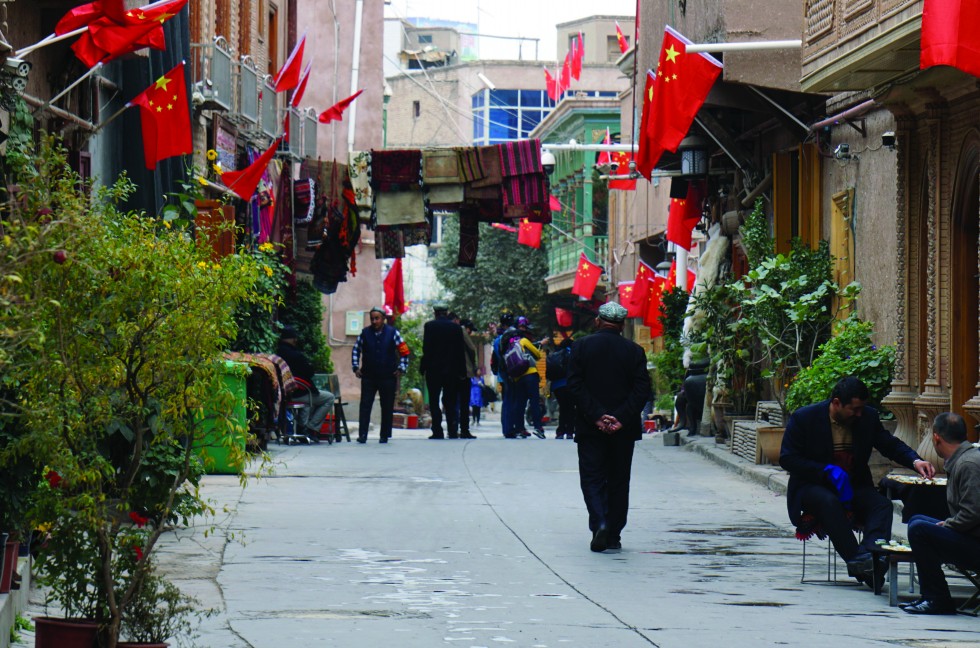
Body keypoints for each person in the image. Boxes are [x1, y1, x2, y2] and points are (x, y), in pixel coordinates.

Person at [779, 376, 935, 588]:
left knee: (882, 505)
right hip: (813, 487)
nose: (859, 414)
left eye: (862, 408)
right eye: (854, 409)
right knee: (828, 502)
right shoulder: (804, 418)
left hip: (854, 486)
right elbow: (788, 458)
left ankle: (871, 558)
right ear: (836, 403)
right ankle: (860, 562)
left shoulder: (867, 418)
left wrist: (915, 461)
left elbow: (888, 444)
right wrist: (824, 470)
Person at [566, 302, 650, 552]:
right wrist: (620, 418)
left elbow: (574, 385)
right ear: (622, 326)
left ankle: (600, 522)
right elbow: (641, 389)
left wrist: (597, 416)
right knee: (619, 479)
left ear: (598, 322)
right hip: (623, 430)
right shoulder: (634, 351)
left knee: (592, 478)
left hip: (591, 427)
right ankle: (613, 533)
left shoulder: (581, 347)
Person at [903, 412, 980, 614]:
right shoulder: (964, 459)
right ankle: (930, 594)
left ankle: (937, 599)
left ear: (936, 437)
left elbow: (973, 513)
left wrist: (949, 525)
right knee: (917, 520)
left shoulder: (968, 463)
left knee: (920, 529)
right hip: (972, 536)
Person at [351, 307, 410, 444]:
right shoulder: (365, 333)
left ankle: (384, 435)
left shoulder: (393, 333)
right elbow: (356, 350)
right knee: (365, 405)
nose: (374, 321)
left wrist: (401, 368)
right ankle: (363, 434)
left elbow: (404, 351)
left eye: (377, 318)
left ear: (383, 319)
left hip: (388, 376)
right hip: (368, 376)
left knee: (387, 405)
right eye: (372, 318)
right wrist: (355, 367)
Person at [276, 325, 336, 440]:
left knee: (310, 400)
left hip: (284, 393)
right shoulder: (296, 355)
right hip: (298, 393)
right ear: (293, 339)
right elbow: (309, 372)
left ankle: (303, 427)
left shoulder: (278, 353)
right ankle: (311, 428)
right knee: (329, 397)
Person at [420, 303, 466, 439]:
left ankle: (437, 430)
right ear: (446, 312)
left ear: (435, 312)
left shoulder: (430, 326)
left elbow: (426, 349)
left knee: (434, 400)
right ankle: (452, 430)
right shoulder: (456, 328)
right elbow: (460, 351)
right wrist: (462, 371)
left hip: (434, 370)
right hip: (452, 371)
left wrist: (423, 367)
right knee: (450, 400)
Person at [506, 316, 545, 439]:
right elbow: (538, 354)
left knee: (520, 403)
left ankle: (519, 428)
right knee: (534, 402)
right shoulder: (523, 341)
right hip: (530, 374)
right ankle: (538, 427)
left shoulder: (510, 344)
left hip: (518, 377)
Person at [490, 313, 515, 438]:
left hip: (503, 374)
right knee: (513, 399)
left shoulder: (497, 340)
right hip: (515, 372)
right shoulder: (514, 336)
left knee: (506, 400)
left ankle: (506, 428)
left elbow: (496, 357)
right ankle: (513, 427)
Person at [548, 337, 575, 439]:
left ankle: (560, 431)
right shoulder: (572, 353)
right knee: (571, 408)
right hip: (570, 385)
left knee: (563, 408)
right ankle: (569, 431)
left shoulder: (556, 354)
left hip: (557, 386)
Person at [457, 318, 479, 439]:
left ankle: (453, 428)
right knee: (464, 402)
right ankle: (464, 429)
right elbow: (472, 349)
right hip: (464, 371)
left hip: (451, 371)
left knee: (454, 401)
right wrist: (474, 366)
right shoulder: (461, 331)